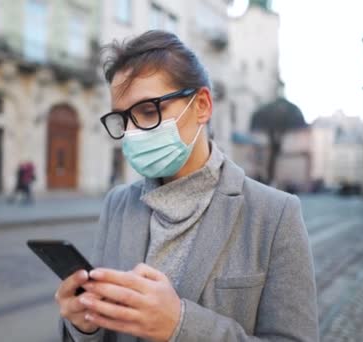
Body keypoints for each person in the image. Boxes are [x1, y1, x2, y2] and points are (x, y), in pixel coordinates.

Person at [55, 30, 318, 341]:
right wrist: (84, 324)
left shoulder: (275, 215)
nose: (132, 133)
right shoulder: (118, 204)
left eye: (149, 111)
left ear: (202, 106)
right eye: (123, 119)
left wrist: (180, 325)